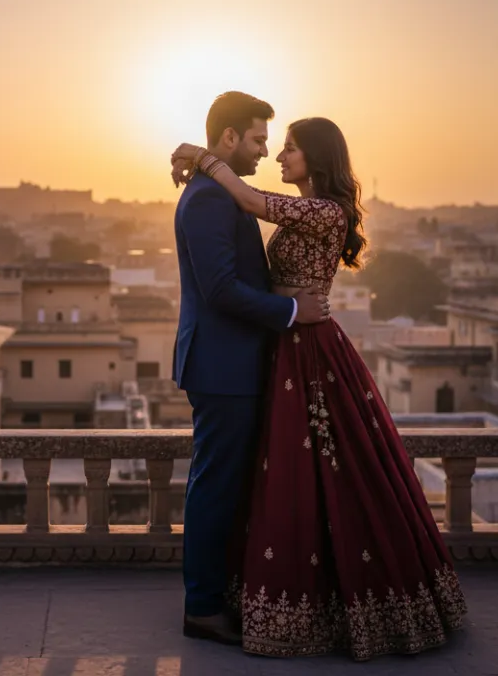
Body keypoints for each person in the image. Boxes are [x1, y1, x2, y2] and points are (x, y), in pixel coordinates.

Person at [171, 117, 468, 661]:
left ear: (317, 158)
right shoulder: (234, 201)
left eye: (287, 149)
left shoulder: (323, 210)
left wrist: (201, 156)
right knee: (287, 473)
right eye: (267, 143)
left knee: (318, 473)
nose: (277, 156)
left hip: (305, 347)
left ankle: (316, 599)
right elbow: (231, 270)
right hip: (282, 344)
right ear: (232, 135)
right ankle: (230, 600)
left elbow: (255, 202)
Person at [173, 92, 331, 645]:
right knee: (215, 487)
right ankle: (202, 607)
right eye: (259, 139)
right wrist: (292, 310)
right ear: (229, 138)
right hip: (222, 366)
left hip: (234, 362)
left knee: (227, 485)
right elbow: (220, 289)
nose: (266, 151)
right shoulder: (210, 201)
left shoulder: (219, 193)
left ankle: (220, 595)